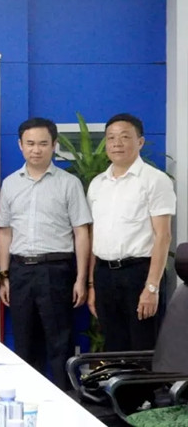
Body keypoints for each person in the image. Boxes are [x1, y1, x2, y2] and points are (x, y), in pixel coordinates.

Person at [0, 118, 92, 390]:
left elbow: (81, 232)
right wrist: (3, 276)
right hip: (20, 271)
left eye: (42, 143)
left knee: (60, 343)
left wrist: (81, 279)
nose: (36, 149)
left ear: (54, 145)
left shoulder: (69, 183)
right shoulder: (10, 184)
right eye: (30, 143)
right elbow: (4, 232)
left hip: (56, 271)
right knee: (25, 342)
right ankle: (28, 401)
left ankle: (65, 401)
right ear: (20, 145)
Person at [87, 113, 175, 352]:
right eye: (111, 138)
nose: (117, 143)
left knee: (142, 347)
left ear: (140, 142)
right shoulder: (97, 184)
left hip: (139, 274)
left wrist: (151, 288)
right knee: (113, 348)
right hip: (104, 274)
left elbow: (163, 236)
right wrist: (92, 284)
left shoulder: (155, 180)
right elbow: (95, 235)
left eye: (125, 137)